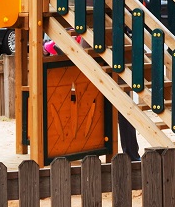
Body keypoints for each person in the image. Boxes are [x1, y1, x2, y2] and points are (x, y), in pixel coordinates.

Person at [42, 32, 140, 161]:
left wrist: (49, 48)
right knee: (120, 112)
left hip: (99, 72)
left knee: (119, 112)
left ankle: (127, 153)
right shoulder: (87, 33)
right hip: (101, 72)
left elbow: (74, 55)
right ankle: (131, 153)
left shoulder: (86, 34)